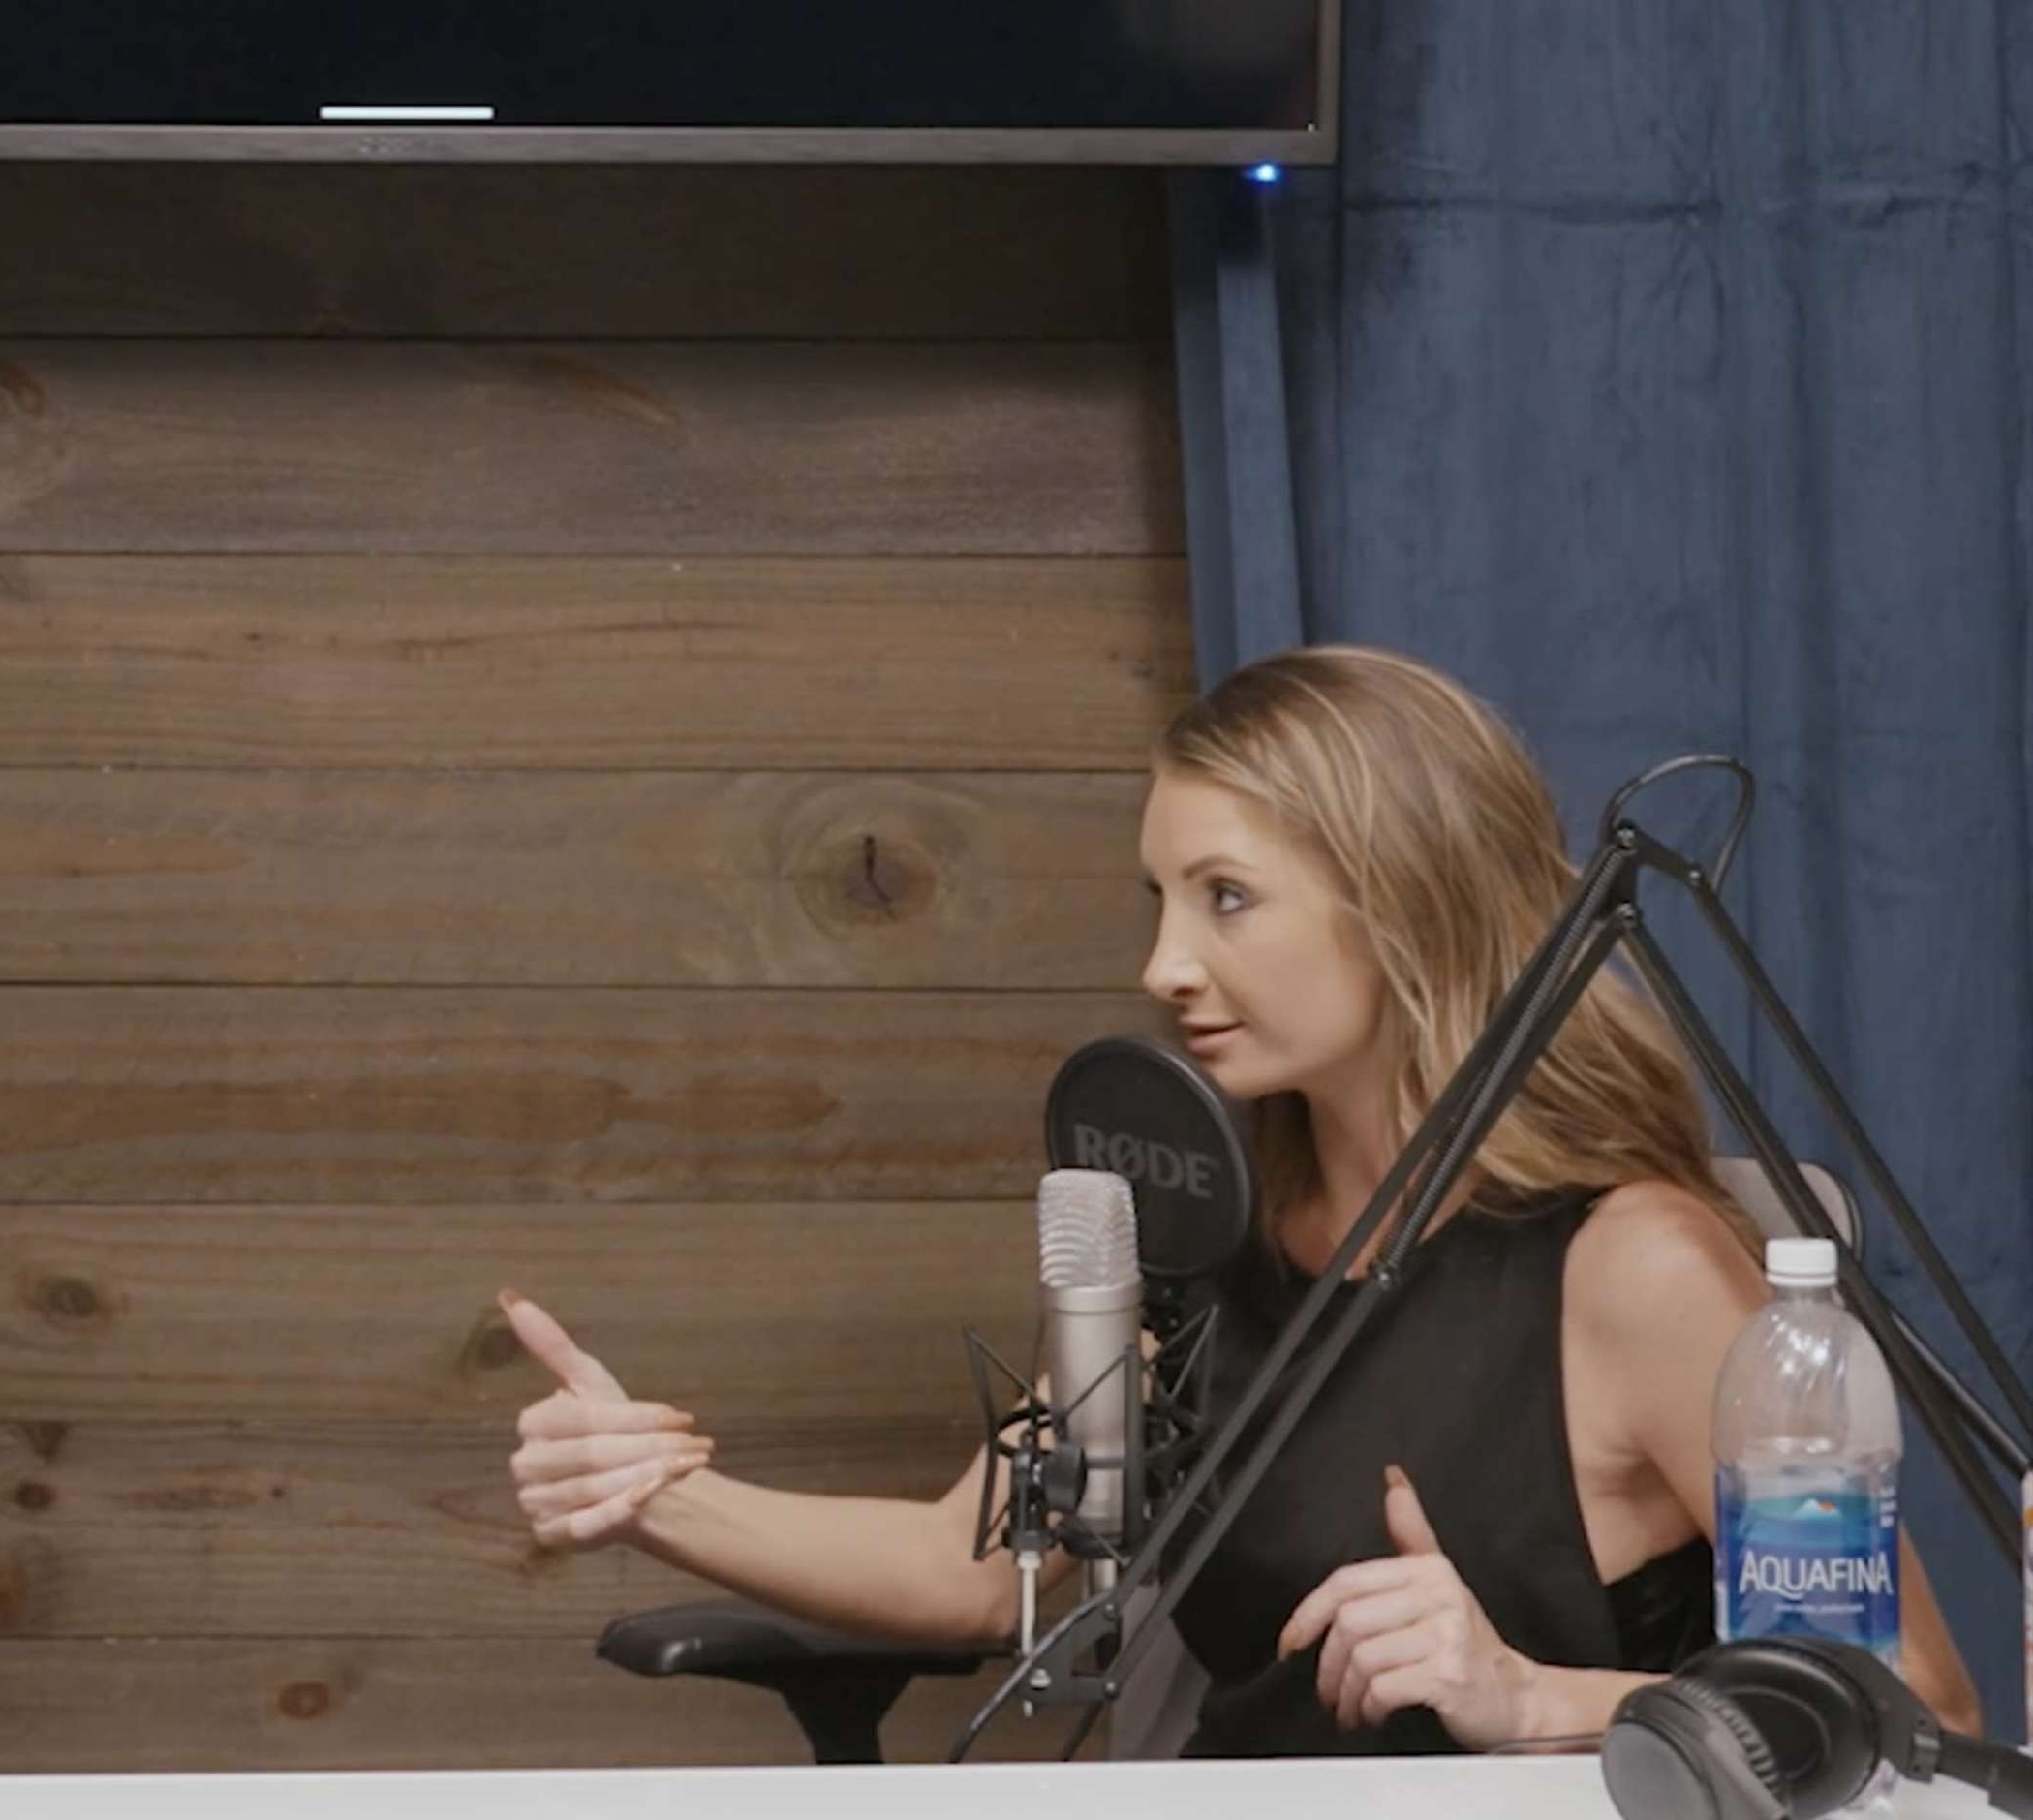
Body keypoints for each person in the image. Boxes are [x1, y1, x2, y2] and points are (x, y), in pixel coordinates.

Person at [503, 645, 1983, 1755]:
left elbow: (1918, 1704)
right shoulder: (1194, 1244)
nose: (1164, 967)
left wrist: (1531, 1697)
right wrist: (659, 1499)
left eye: (1226, 897)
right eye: (1158, 900)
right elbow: (984, 1574)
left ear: (1404, 895)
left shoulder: (1634, 1269)